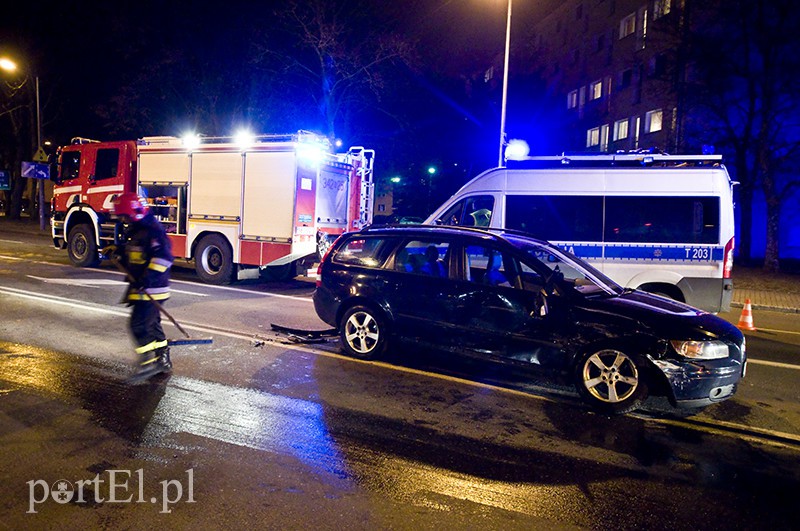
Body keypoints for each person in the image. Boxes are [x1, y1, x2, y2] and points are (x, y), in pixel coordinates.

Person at [110, 192, 174, 381]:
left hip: (150, 288)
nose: (122, 219)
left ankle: (147, 364)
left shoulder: (152, 231)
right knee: (152, 325)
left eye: (124, 215)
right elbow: (135, 253)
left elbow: (164, 259)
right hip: (142, 287)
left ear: (133, 213)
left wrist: (146, 280)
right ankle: (163, 360)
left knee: (138, 326)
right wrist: (118, 251)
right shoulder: (137, 229)